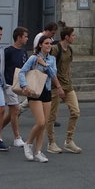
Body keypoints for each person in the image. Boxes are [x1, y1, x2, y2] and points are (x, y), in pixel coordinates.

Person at [19, 34, 63, 163]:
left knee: (44, 124)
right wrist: (24, 85)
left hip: (46, 91)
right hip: (34, 91)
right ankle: (28, 143)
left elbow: (53, 74)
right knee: (41, 122)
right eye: (46, 43)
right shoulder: (33, 58)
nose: (49, 46)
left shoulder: (52, 59)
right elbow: (22, 72)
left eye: (50, 43)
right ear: (40, 45)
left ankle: (38, 151)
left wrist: (44, 64)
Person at [45, 26, 82, 154]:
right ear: (66, 36)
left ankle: (69, 141)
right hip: (55, 86)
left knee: (75, 112)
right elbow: (50, 69)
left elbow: (68, 66)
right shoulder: (55, 49)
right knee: (52, 116)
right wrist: (58, 86)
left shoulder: (70, 49)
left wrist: (68, 80)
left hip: (68, 85)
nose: (74, 37)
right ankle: (51, 143)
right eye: (73, 35)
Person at [2, 27, 30, 148]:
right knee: (16, 109)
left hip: (18, 84)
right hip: (9, 84)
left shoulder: (23, 52)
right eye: (25, 36)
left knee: (13, 111)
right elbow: (2, 68)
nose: (27, 39)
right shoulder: (8, 51)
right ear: (19, 37)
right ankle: (17, 137)